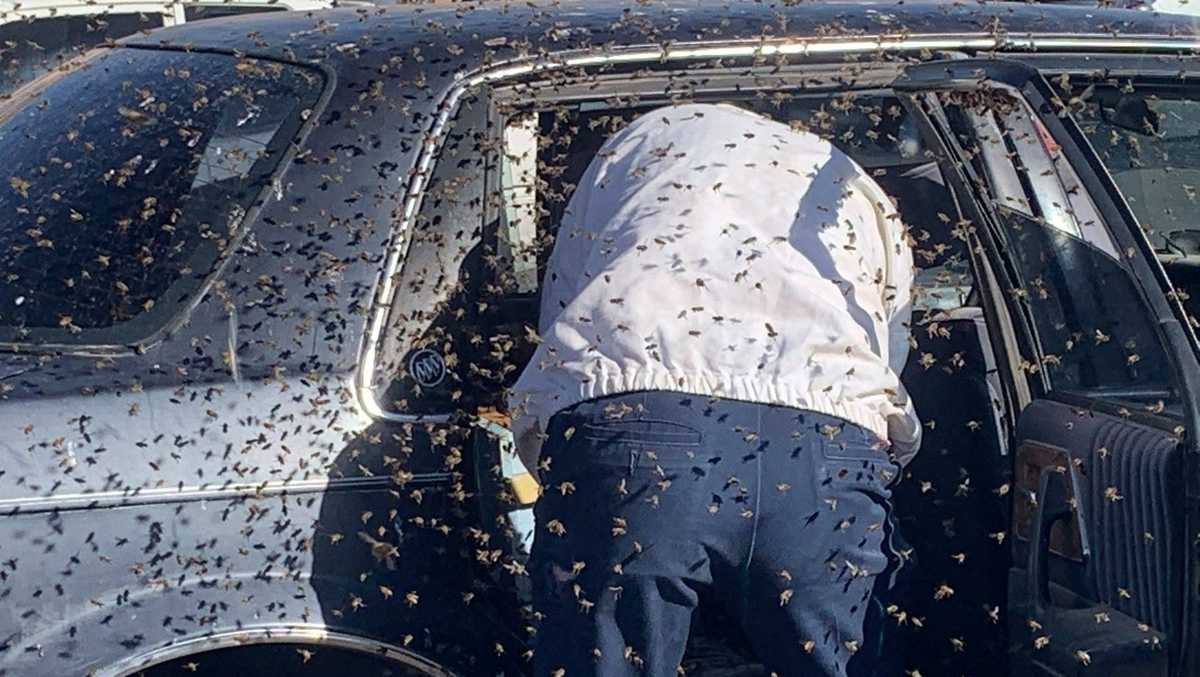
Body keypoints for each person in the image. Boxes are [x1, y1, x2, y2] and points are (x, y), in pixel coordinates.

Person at [507, 102, 921, 677]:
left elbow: (568, 319)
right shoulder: (847, 178)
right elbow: (888, 334)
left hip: (639, 432)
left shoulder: (634, 150)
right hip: (827, 447)